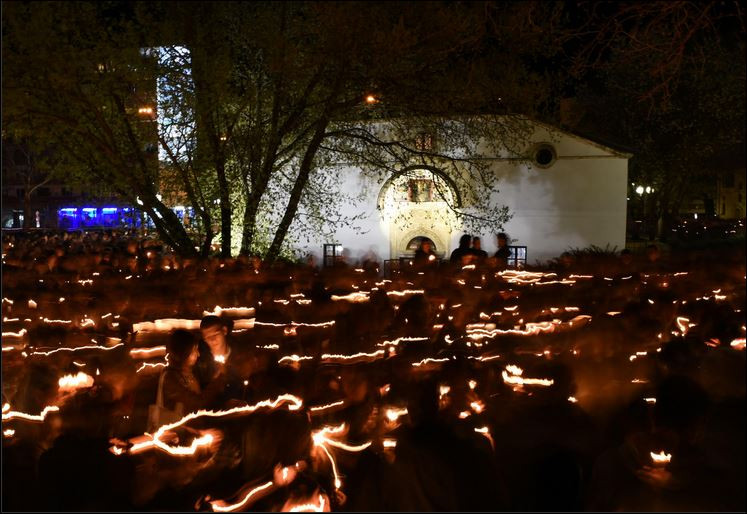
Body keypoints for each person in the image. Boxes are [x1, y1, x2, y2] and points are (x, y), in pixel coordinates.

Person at [162, 329, 204, 413]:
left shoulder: (191, 372)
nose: (198, 354)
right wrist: (219, 378)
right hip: (178, 425)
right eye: (194, 350)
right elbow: (196, 402)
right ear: (184, 352)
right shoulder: (170, 378)